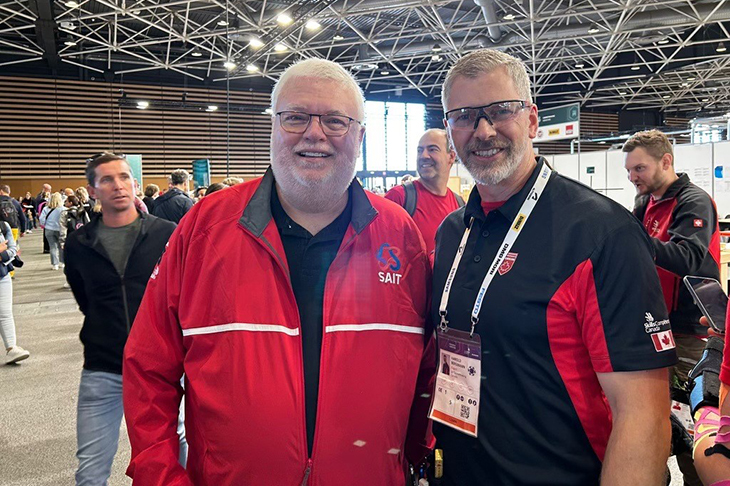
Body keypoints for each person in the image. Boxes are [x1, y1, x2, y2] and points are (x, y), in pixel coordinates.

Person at [123, 58, 435, 485]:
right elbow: (147, 365)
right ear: (273, 126)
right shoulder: (205, 229)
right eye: (295, 117)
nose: (314, 133)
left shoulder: (400, 235)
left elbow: (429, 367)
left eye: (335, 121)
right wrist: (159, 475)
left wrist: (416, 460)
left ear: (359, 136)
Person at [431, 48, 677, 485]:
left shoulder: (600, 234)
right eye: (465, 116)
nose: (483, 131)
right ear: (450, 131)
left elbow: (643, 415)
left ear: (531, 119)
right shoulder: (454, 232)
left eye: (500, 111)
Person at [64, 153, 179, 486]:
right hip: (103, 368)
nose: (119, 186)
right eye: (107, 180)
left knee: (172, 461)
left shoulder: (166, 234)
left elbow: (178, 296)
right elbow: (85, 298)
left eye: (124, 177)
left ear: (135, 183)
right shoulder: (79, 244)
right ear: (92, 191)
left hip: (161, 370)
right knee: (91, 470)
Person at [624, 129, 720, 485]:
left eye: (639, 169)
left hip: (690, 331)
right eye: (629, 171)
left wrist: (635, 240)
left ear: (666, 161)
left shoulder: (693, 201)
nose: (633, 177)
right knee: (657, 419)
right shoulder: (643, 203)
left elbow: (691, 258)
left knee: (697, 423)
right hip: (653, 326)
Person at [385, 129, 464, 254]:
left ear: (452, 157)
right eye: (419, 150)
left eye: (432, 149)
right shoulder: (398, 198)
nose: (423, 156)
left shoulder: (459, 205)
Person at [0, 221, 30, 364]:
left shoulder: (3, 225)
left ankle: (11, 348)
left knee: (5, 313)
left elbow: (12, 249)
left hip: (2, 275)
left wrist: (2, 254)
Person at [40, 192, 64, 270]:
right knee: (61, 246)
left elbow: (41, 219)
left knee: (52, 246)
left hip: (49, 229)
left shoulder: (46, 209)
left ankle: (55, 264)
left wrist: (44, 224)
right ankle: (62, 262)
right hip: (60, 229)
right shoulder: (63, 209)